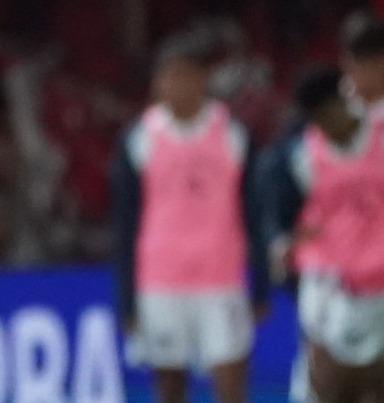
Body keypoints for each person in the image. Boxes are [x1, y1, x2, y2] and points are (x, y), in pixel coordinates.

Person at [110, 35, 268, 403]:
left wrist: (259, 283)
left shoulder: (234, 134)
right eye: (170, 76)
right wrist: (126, 299)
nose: (178, 85)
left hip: (221, 280)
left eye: (186, 75)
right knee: (169, 388)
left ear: (202, 79)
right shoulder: (139, 139)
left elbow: (254, 213)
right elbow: (125, 222)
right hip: (160, 282)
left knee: (231, 384)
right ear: (157, 83)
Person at [270, 66, 384, 403]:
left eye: (330, 112)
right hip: (351, 287)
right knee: (360, 387)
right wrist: (287, 246)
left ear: (345, 101)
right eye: (317, 118)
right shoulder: (299, 158)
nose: (326, 124)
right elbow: (284, 225)